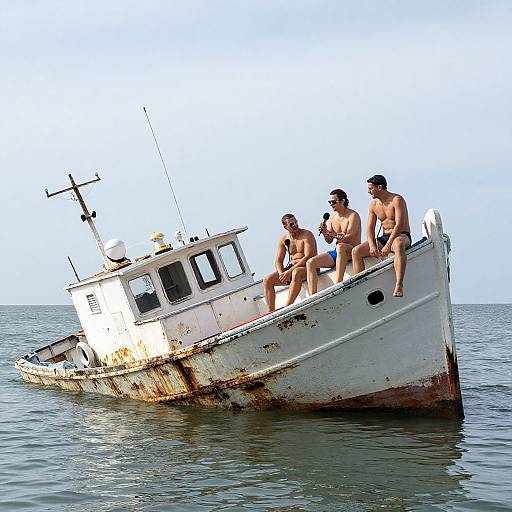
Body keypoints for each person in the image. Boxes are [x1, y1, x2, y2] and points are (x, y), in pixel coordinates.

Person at [352, 174, 411, 298]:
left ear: (379, 187)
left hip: (400, 235)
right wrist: (373, 245)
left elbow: (399, 225)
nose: (368, 192)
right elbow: (370, 228)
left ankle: (399, 284)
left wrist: (388, 245)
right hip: (384, 236)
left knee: (399, 245)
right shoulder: (373, 205)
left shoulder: (397, 199)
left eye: (370, 188)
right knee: (356, 251)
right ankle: (359, 286)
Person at [306, 189, 361, 295]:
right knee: (311, 262)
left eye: (334, 202)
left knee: (341, 246)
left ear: (342, 201)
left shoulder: (353, 215)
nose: (331, 204)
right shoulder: (332, 217)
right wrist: (325, 232)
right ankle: (313, 295)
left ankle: (338, 283)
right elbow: (329, 240)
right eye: (329, 202)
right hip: (338, 252)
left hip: (352, 250)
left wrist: (333, 235)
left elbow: (350, 237)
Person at [263, 214, 317, 311]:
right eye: (292, 224)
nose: (295, 225)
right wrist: (281, 274)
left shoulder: (307, 235)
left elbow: (308, 256)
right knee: (267, 279)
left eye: (296, 222)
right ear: (285, 227)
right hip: (292, 269)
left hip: (309, 268)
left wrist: (289, 272)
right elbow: (278, 260)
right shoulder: (284, 239)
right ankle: (270, 312)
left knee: (296, 272)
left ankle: (287, 307)